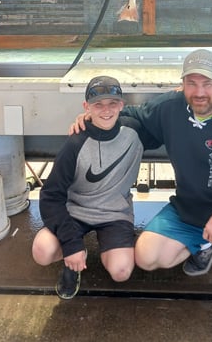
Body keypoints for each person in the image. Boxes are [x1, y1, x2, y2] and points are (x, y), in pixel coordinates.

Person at [70, 49, 212, 338]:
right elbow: (134, 118)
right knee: (147, 256)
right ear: (182, 83)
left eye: (207, 83)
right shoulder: (172, 107)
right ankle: (205, 244)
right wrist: (94, 117)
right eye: (191, 83)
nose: (199, 92)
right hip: (190, 210)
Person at [32, 75, 158, 300]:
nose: (106, 110)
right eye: (98, 105)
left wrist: (181, 92)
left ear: (122, 105)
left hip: (114, 212)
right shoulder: (75, 143)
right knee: (42, 251)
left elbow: (167, 116)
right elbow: (51, 195)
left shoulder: (135, 131)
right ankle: (73, 260)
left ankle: (97, 250)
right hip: (76, 211)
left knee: (121, 271)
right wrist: (71, 244)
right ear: (86, 107)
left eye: (112, 103)